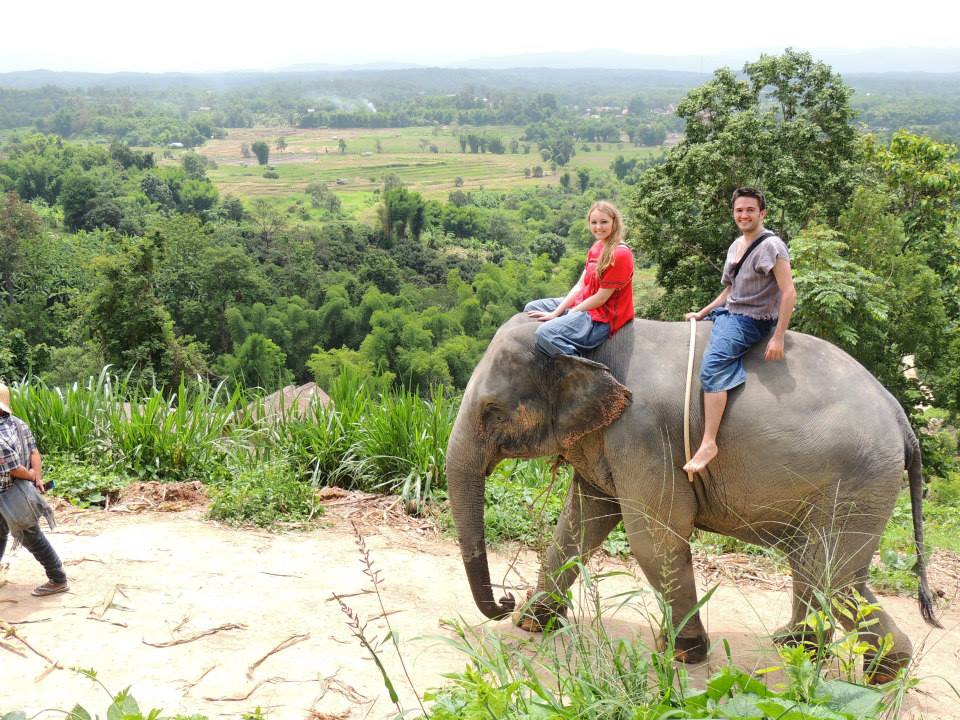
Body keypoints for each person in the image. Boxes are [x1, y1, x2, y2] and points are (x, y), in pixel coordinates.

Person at [682, 187, 796, 474]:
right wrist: (703, 312)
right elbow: (730, 290)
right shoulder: (736, 246)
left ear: (762, 213)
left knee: (712, 367)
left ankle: (709, 441)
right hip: (730, 311)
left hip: (751, 320)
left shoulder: (773, 247)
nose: (744, 215)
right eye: (739, 210)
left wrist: (778, 335)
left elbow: (788, 291)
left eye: (750, 210)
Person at [525, 200, 634, 356]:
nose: (598, 227)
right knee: (531, 308)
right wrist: (556, 312)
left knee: (545, 334)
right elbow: (580, 285)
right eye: (594, 222)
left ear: (614, 222)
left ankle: (581, 368)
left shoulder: (620, 254)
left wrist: (571, 313)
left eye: (604, 222)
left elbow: (601, 298)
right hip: (584, 302)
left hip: (602, 317)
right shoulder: (597, 247)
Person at [0, 383, 68, 596]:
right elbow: (34, 452)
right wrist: (37, 477)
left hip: (10, 495)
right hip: (20, 491)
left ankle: (57, 578)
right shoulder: (17, 424)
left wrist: (30, 475)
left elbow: (13, 468)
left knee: (31, 536)